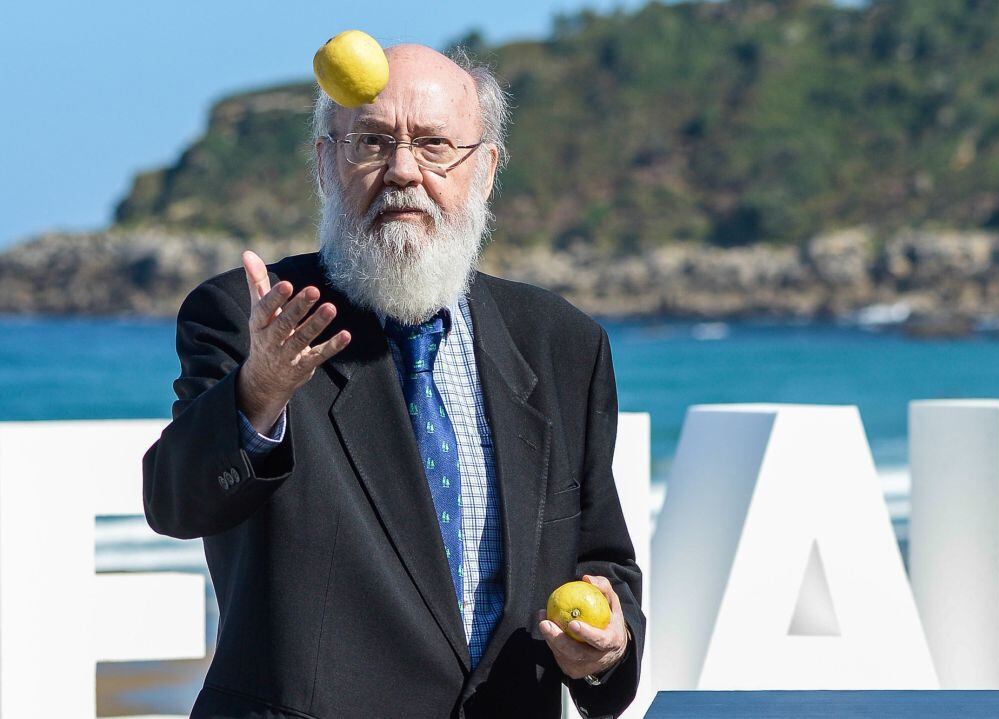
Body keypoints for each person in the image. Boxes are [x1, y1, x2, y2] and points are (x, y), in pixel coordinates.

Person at [142, 43, 644, 718]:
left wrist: (608, 644)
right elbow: (177, 502)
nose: (403, 171)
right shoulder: (250, 319)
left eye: (435, 145)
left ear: (485, 170)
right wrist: (259, 390)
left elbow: (603, 559)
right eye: (373, 142)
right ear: (326, 164)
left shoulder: (561, 342)